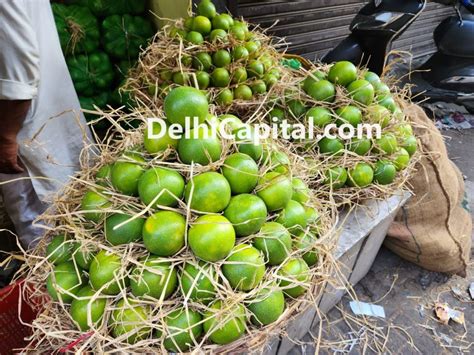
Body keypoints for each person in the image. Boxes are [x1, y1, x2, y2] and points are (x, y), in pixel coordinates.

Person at [0, 0, 91, 249]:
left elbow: (19, 74)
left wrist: (6, 137)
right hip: (35, 111)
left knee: (46, 225)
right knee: (71, 208)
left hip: (22, 122)